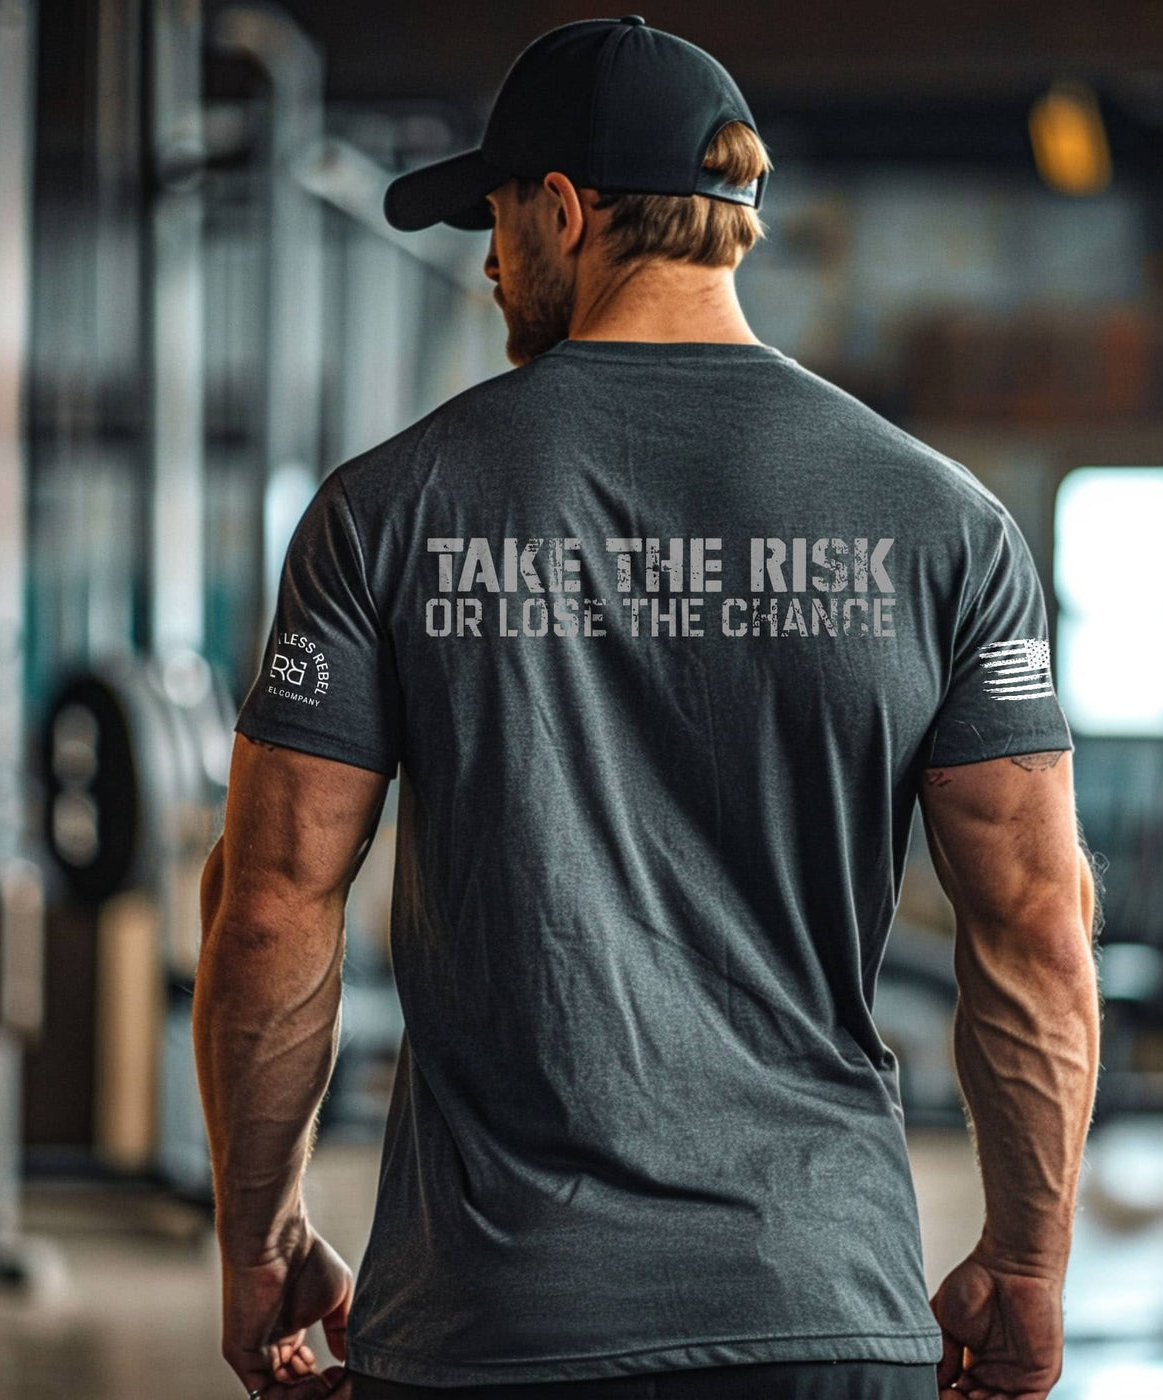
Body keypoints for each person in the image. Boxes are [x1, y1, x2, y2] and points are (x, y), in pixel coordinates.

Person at [192, 15, 1102, 1400]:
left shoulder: (387, 511)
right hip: (818, 1312)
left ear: (563, 210)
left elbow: (268, 908)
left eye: (496, 223)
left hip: (494, 1328)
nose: (492, 266)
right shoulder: (947, 528)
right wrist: (1029, 1264)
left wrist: (260, 1239)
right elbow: (1038, 925)